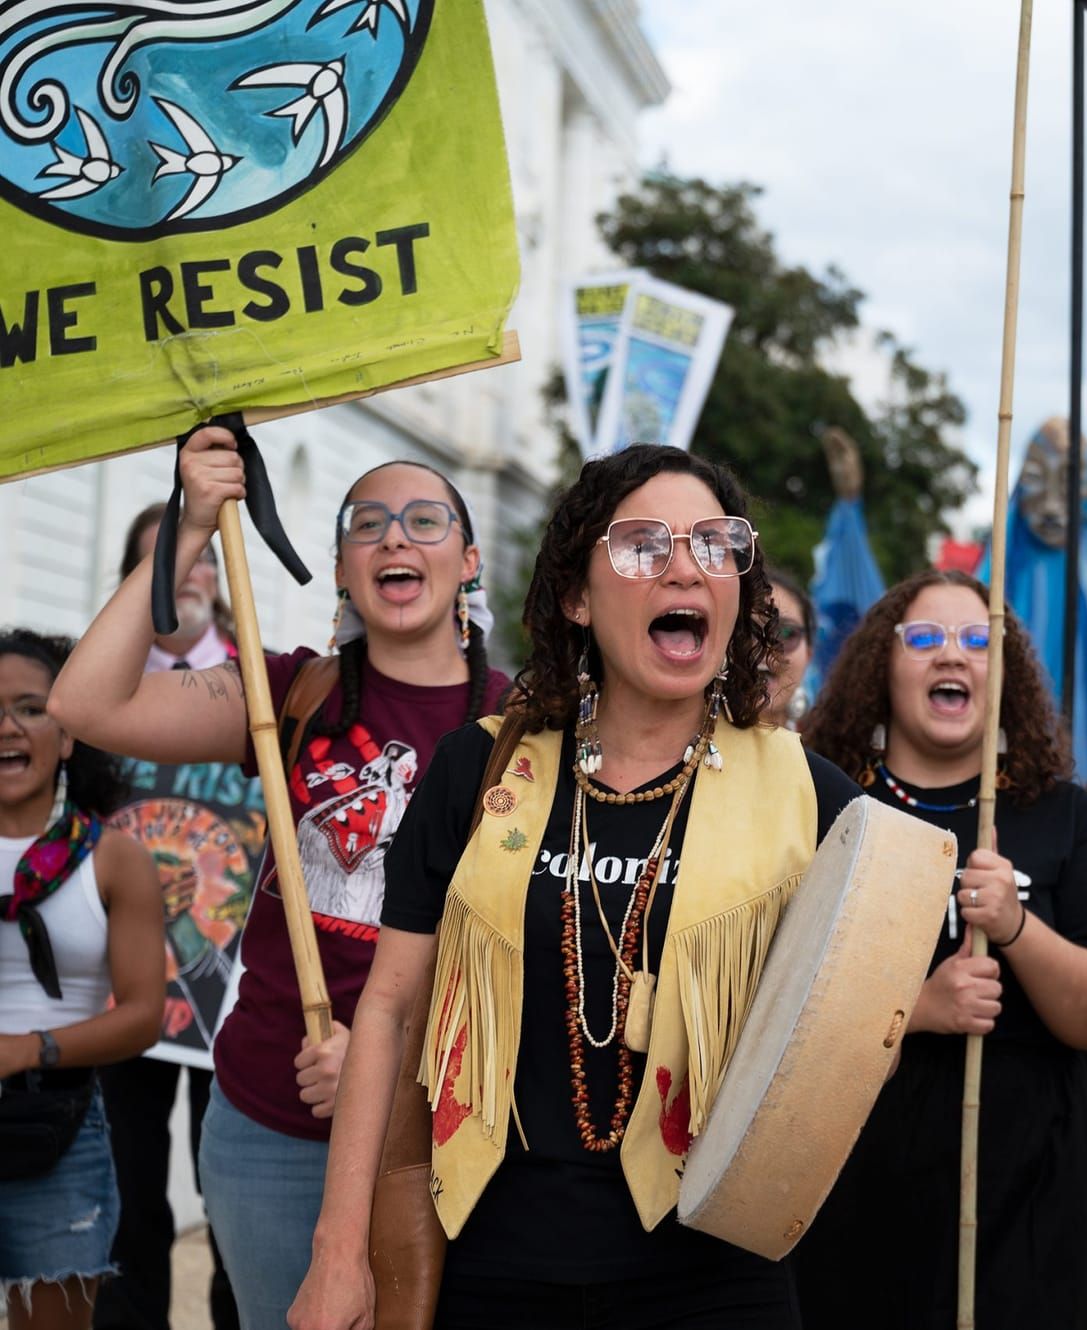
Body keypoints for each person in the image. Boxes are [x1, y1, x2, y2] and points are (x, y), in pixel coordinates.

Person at [289, 444, 861, 1330]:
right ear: (577, 596)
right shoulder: (478, 767)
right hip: (491, 1262)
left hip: (718, 1278)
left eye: (715, 544)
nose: (685, 566)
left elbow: (851, 1044)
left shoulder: (810, 795)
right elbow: (392, 1009)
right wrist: (339, 1249)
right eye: (643, 545)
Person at [49, 426, 510, 1330]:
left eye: (425, 520)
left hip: (444, 1128)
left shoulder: (523, 724)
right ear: (340, 567)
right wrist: (189, 526)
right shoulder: (285, 696)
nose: (395, 539)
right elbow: (85, 704)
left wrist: (397, 1067)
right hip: (270, 1124)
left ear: (469, 559)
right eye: (366, 525)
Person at [793, 569, 1087, 1330]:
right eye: (924, 638)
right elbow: (777, 1018)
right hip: (855, 1180)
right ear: (881, 668)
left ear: (1005, 672)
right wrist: (916, 1010)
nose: (950, 655)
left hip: (1028, 1188)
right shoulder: (823, 809)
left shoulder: (1067, 818)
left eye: (976, 640)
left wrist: (1017, 925)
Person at [94, 504, 241, 1330]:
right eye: (169, 561)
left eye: (205, 563)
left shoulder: (266, 683)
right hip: (120, 985)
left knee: (232, 1194)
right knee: (126, 1187)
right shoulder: (95, 689)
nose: (192, 575)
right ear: (129, 580)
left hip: (231, 989)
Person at [1, 629, 165, 1330]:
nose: (6, 727)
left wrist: (25, 1049)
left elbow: (144, 1015)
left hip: (59, 1129)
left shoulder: (116, 860)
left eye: (30, 708)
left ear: (68, 735)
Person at [761, 568, 815, 728]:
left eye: (786, 633)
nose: (766, 646)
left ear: (809, 654)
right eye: (745, 631)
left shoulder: (828, 750)